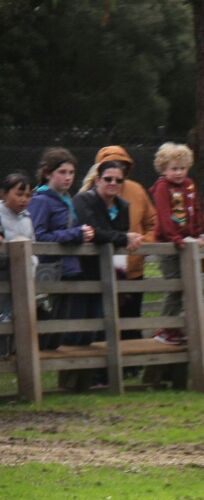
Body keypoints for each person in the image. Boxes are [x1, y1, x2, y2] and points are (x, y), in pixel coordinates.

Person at [80, 147, 157, 339]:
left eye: (122, 168)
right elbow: (93, 231)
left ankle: (132, 368)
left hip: (133, 269)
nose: (114, 181)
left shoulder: (136, 191)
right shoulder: (87, 196)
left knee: (131, 321)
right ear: (99, 174)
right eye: (108, 177)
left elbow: (153, 223)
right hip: (99, 270)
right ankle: (99, 367)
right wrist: (123, 239)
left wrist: (141, 243)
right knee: (101, 322)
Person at [28, 148, 95, 351]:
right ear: (48, 173)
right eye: (62, 172)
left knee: (57, 335)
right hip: (49, 271)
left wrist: (82, 234)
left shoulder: (66, 200)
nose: (68, 178)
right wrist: (75, 234)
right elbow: (39, 237)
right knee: (45, 334)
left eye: (71, 173)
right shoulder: (40, 200)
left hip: (68, 269)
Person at [150, 142, 202, 345]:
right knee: (174, 285)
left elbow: (195, 209)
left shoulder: (189, 184)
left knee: (186, 285)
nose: (179, 173)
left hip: (186, 241)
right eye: (174, 169)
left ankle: (175, 326)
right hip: (169, 243)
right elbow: (164, 215)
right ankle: (165, 328)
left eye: (182, 168)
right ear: (164, 169)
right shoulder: (163, 187)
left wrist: (196, 233)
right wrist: (174, 238)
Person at [0, 172, 36, 356]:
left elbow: (33, 247)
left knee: (16, 316)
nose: (24, 199)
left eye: (28, 195)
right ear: (3, 194)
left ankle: (13, 352)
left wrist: (32, 265)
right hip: (2, 276)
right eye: (19, 194)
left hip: (21, 279)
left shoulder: (27, 220)